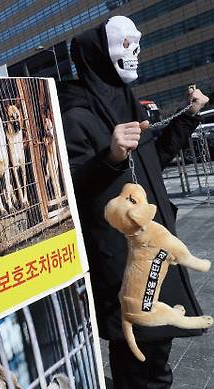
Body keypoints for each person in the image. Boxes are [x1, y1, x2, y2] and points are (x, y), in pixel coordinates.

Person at [58, 16, 209, 388]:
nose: (136, 53)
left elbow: (153, 160)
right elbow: (73, 184)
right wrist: (108, 156)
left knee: (159, 344)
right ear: (99, 55)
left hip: (154, 245)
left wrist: (188, 118)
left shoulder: (128, 106)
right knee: (135, 348)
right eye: (126, 45)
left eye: (137, 43)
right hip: (120, 256)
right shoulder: (76, 115)